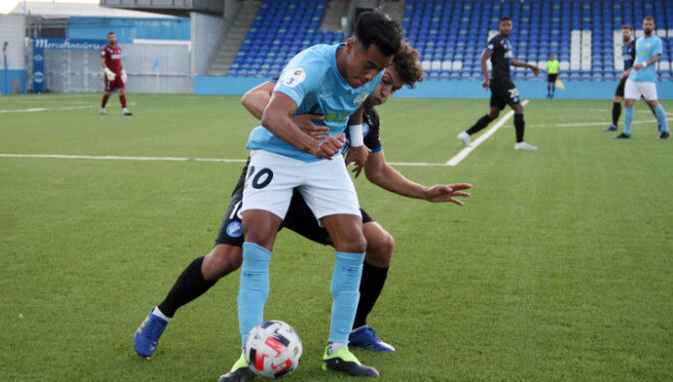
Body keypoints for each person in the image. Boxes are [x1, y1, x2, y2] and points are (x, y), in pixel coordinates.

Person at [133, 41, 471, 379]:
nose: (383, 91)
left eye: (392, 88)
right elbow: (254, 97)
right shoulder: (317, 77)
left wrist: (425, 193)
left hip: (315, 193)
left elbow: (377, 171)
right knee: (225, 259)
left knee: (378, 243)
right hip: (274, 172)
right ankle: (160, 316)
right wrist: (295, 124)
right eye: (384, 81)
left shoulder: (366, 119)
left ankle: (351, 331)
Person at [457, 16, 540, 150]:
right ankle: (520, 143)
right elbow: (483, 59)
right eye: (504, 25)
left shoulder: (507, 41)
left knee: (493, 114)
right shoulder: (496, 40)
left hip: (500, 81)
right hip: (502, 81)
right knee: (519, 109)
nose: (507, 27)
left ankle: (466, 134)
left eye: (509, 25)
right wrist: (486, 78)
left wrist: (529, 66)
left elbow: (511, 61)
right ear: (499, 27)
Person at [615, 17, 670, 140]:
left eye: (650, 24)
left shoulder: (656, 41)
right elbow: (637, 57)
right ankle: (626, 132)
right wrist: (631, 70)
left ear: (653, 26)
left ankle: (666, 130)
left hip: (647, 78)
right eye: (646, 24)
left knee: (653, 103)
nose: (647, 26)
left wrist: (644, 65)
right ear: (642, 26)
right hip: (634, 78)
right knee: (628, 102)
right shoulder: (638, 41)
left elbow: (656, 57)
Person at [605, 25, 659, 132]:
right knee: (617, 99)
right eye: (623, 32)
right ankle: (614, 125)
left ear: (631, 33)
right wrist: (625, 74)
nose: (625, 34)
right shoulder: (624, 47)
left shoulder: (636, 45)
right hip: (628, 78)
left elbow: (638, 62)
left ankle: (661, 122)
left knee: (650, 101)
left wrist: (627, 73)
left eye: (627, 32)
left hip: (639, 77)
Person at [100, 32, 132, 116]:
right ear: (108, 39)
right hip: (110, 75)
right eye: (110, 37)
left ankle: (125, 110)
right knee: (108, 92)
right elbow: (102, 62)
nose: (112, 39)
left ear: (116, 38)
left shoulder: (118, 48)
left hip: (118, 74)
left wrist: (123, 71)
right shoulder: (105, 49)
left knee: (121, 91)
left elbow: (119, 61)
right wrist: (107, 71)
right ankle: (102, 108)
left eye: (113, 37)